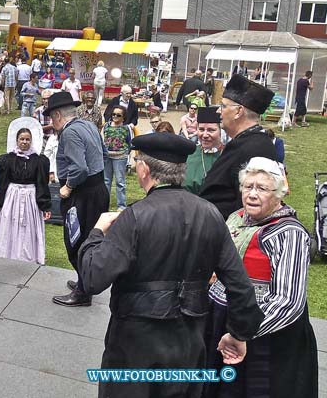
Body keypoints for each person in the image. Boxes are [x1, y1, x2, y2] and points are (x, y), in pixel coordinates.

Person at [77, 133, 264, 398]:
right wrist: (239, 333)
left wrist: (96, 233)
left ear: (144, 169)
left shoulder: (135, 216)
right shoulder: (210, 214)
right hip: (187, 341)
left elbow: (93, 277)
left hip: (135, 342)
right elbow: (240, 285)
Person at [205, 158, 317, 398]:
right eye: (248, 186)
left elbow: (288, 301)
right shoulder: (236, 217)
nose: (252, 194)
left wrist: (240, 333)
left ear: (278, 194)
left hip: (265, 336)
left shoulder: (289, 233)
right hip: (222, 322)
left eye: (262, 188)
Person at [44, 91, 109, 307]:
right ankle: (84, 281)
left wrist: (68, 187)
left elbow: (80, 168)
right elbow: (104, 154)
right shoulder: (89, 125)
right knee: (88, 240)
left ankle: (83, 292)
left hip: (82, 194)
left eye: (52, 118)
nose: (52, 123)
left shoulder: (69, 134)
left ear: (58, 116)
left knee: (76, 242)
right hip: (98, 189)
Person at [200, 74, 277, 219]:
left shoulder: (255, 148)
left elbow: (249, 206)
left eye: (223, 106)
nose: (218, 111)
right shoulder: (245, 142)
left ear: (238, 111)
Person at [0, 119, 51, 264]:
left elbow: (42, 183)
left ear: (32, 141)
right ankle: (7, 252)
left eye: (27, 139)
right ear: (16, 141)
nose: (24, 142)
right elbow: (1, 183)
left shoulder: (39, 161)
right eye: (21, 139)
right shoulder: (7, 159)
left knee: (28, 226)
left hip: (30, 197)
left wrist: (45, 205)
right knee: (10, 223)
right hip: (12, 196)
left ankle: (28, 254)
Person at [183, 106, 223, 195]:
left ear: (221, 131)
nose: (205, 135)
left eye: (211, 130)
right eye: (201, 129)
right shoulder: (188, 154)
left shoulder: (229, 154)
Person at [102, 106, 134, 211]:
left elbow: (129, 142)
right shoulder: (106, 126)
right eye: (113, 114)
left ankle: (121, 206)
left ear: (123, 117)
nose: (115, 116)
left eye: (118, 115)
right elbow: (103, 139)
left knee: (120, 182)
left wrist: (126, 154)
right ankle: (104, 204)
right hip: (107, 157)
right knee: (106, 181)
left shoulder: (126, 128)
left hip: (120, 157)